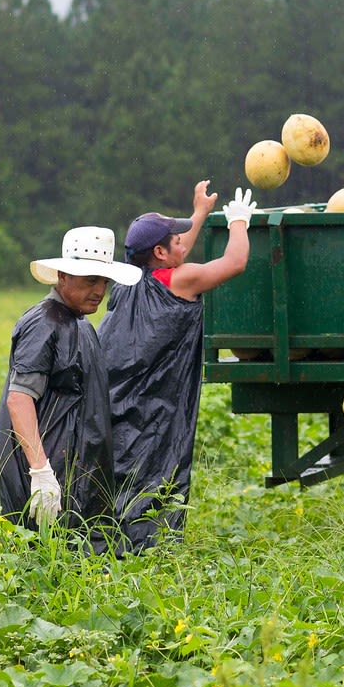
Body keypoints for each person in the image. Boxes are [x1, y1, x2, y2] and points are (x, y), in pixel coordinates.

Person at [100, 181, 256, 551]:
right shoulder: (179, 280)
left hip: (116, 394)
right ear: (159, 251)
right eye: (176, 240)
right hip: (155, 402)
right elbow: (235, 263)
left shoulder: (126, 281)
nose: (183, 244)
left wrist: (199, 212)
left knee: (121, 468)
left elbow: (175, 250)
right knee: (152, 464)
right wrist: (238, 222)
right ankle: (143, 547)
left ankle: (110, 541)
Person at [0, 226, 139, 549]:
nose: (99, 290)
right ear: (63, 276)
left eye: (104, 281)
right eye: (90, 280)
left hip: (72, 475)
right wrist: (40, 471)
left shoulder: (80, 324)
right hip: (35, 476)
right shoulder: (43, 324)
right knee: (32, 561)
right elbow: (19, 399)